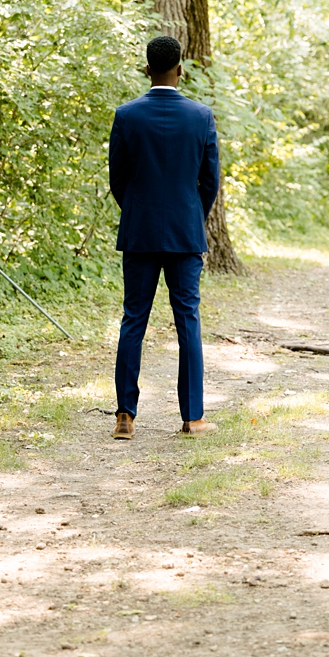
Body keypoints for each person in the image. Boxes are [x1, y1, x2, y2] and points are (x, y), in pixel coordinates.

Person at [107, 35, 222, 440]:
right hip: (185, 233)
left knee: (133, 319)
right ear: (180, 69)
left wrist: (137, 211)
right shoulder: (201, 116)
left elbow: (117, 179)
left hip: (139, 233)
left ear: (146, 69)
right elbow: (210, 181)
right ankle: (192, 417)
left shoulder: (126, 115)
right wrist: (192, 215)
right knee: (187, 321)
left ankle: (125, 415)